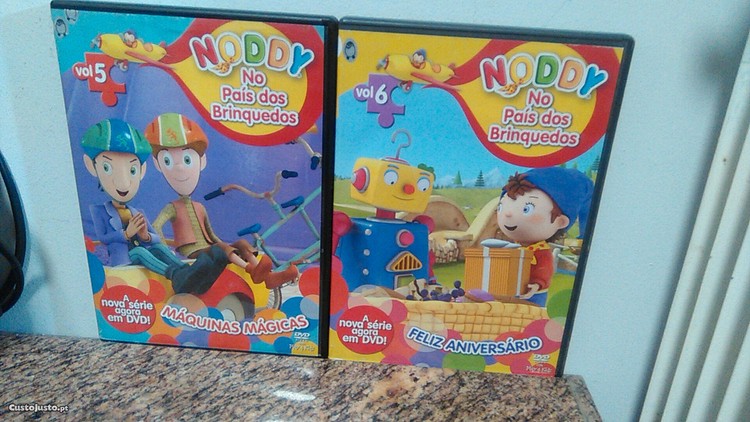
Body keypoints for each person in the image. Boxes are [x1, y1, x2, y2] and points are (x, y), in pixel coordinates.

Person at [144, 112, 298, 290]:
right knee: (222, 248)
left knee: (240, 243)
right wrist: (166, 249)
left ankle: (266, 275)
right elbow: (156, 226)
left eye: (187, 160)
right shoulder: (172, 207)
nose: (179, 167)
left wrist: (225, 244)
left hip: (210, 246)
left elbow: (211, 233)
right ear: (158, 165)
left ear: (201, 161)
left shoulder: (199, 207)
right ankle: (251, 269)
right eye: (168, 161)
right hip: (193, 251)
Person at [81, 118, 227, 294]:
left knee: (157, 248)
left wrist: (146, 236)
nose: (124, 182)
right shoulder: (99, 211)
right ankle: (176, 275)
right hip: (123, 256)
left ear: (141, 171)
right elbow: (104, 238)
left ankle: (191, 273)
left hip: (144, 249)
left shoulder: (137, 211)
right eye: (107, 167)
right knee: (140, 252)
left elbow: (155, 238)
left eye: (132, 170)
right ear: (92, 166)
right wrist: (127, 234)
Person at [496, 167, 593, 306]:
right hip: (511, 293)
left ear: (560, 221)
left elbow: (544, 270)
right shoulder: (512, 247)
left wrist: (537, 284)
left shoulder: (540, 252)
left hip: (532, 296)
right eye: (501, 207)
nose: (508, 214)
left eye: (527, 209)